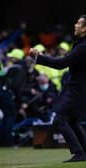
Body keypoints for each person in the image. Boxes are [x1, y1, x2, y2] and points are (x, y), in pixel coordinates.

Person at [29, 15, 86, 162]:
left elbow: (61, 63)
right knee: (72, 121)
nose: (75, 25)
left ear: (85, 29)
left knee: (59, 120)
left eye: (79, 24)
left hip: (77, 90)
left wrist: (39, 57)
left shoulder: (83, 46)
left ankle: (79, 152)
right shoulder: (81, 44)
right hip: (78, 89)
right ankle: (83, 152)